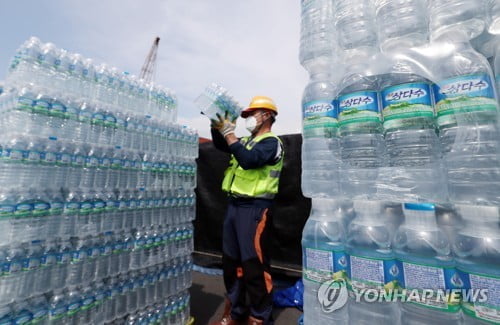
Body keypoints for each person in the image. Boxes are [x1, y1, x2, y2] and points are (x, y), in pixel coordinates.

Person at [209, 96, 284, 325]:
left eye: (253, 114)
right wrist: (217, 124)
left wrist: (230, 134)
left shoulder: (272, 143)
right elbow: (223, 144)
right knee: (232, 262)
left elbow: (250, 160)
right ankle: (235, 310)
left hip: (255, 209)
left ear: (267, 115)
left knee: (254, 265)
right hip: (235, 207)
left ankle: (259, 317)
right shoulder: (246, 141)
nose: (249, 119)